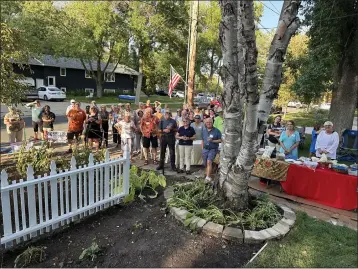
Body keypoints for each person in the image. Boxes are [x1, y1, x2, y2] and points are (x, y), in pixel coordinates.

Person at [202, 118, 222, 182]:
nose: (208, 123)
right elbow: (202, 140)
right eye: (207, 122)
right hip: (205, 149)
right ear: (205, 123)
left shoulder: (217, 131)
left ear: (212, 123)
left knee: (209, 162)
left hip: (213, 149)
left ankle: (208, 177)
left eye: (210, 122)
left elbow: (220, 140)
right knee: (205, 163)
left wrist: (213, 140)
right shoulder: (204, 130)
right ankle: (208, 173)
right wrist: (202, 148)